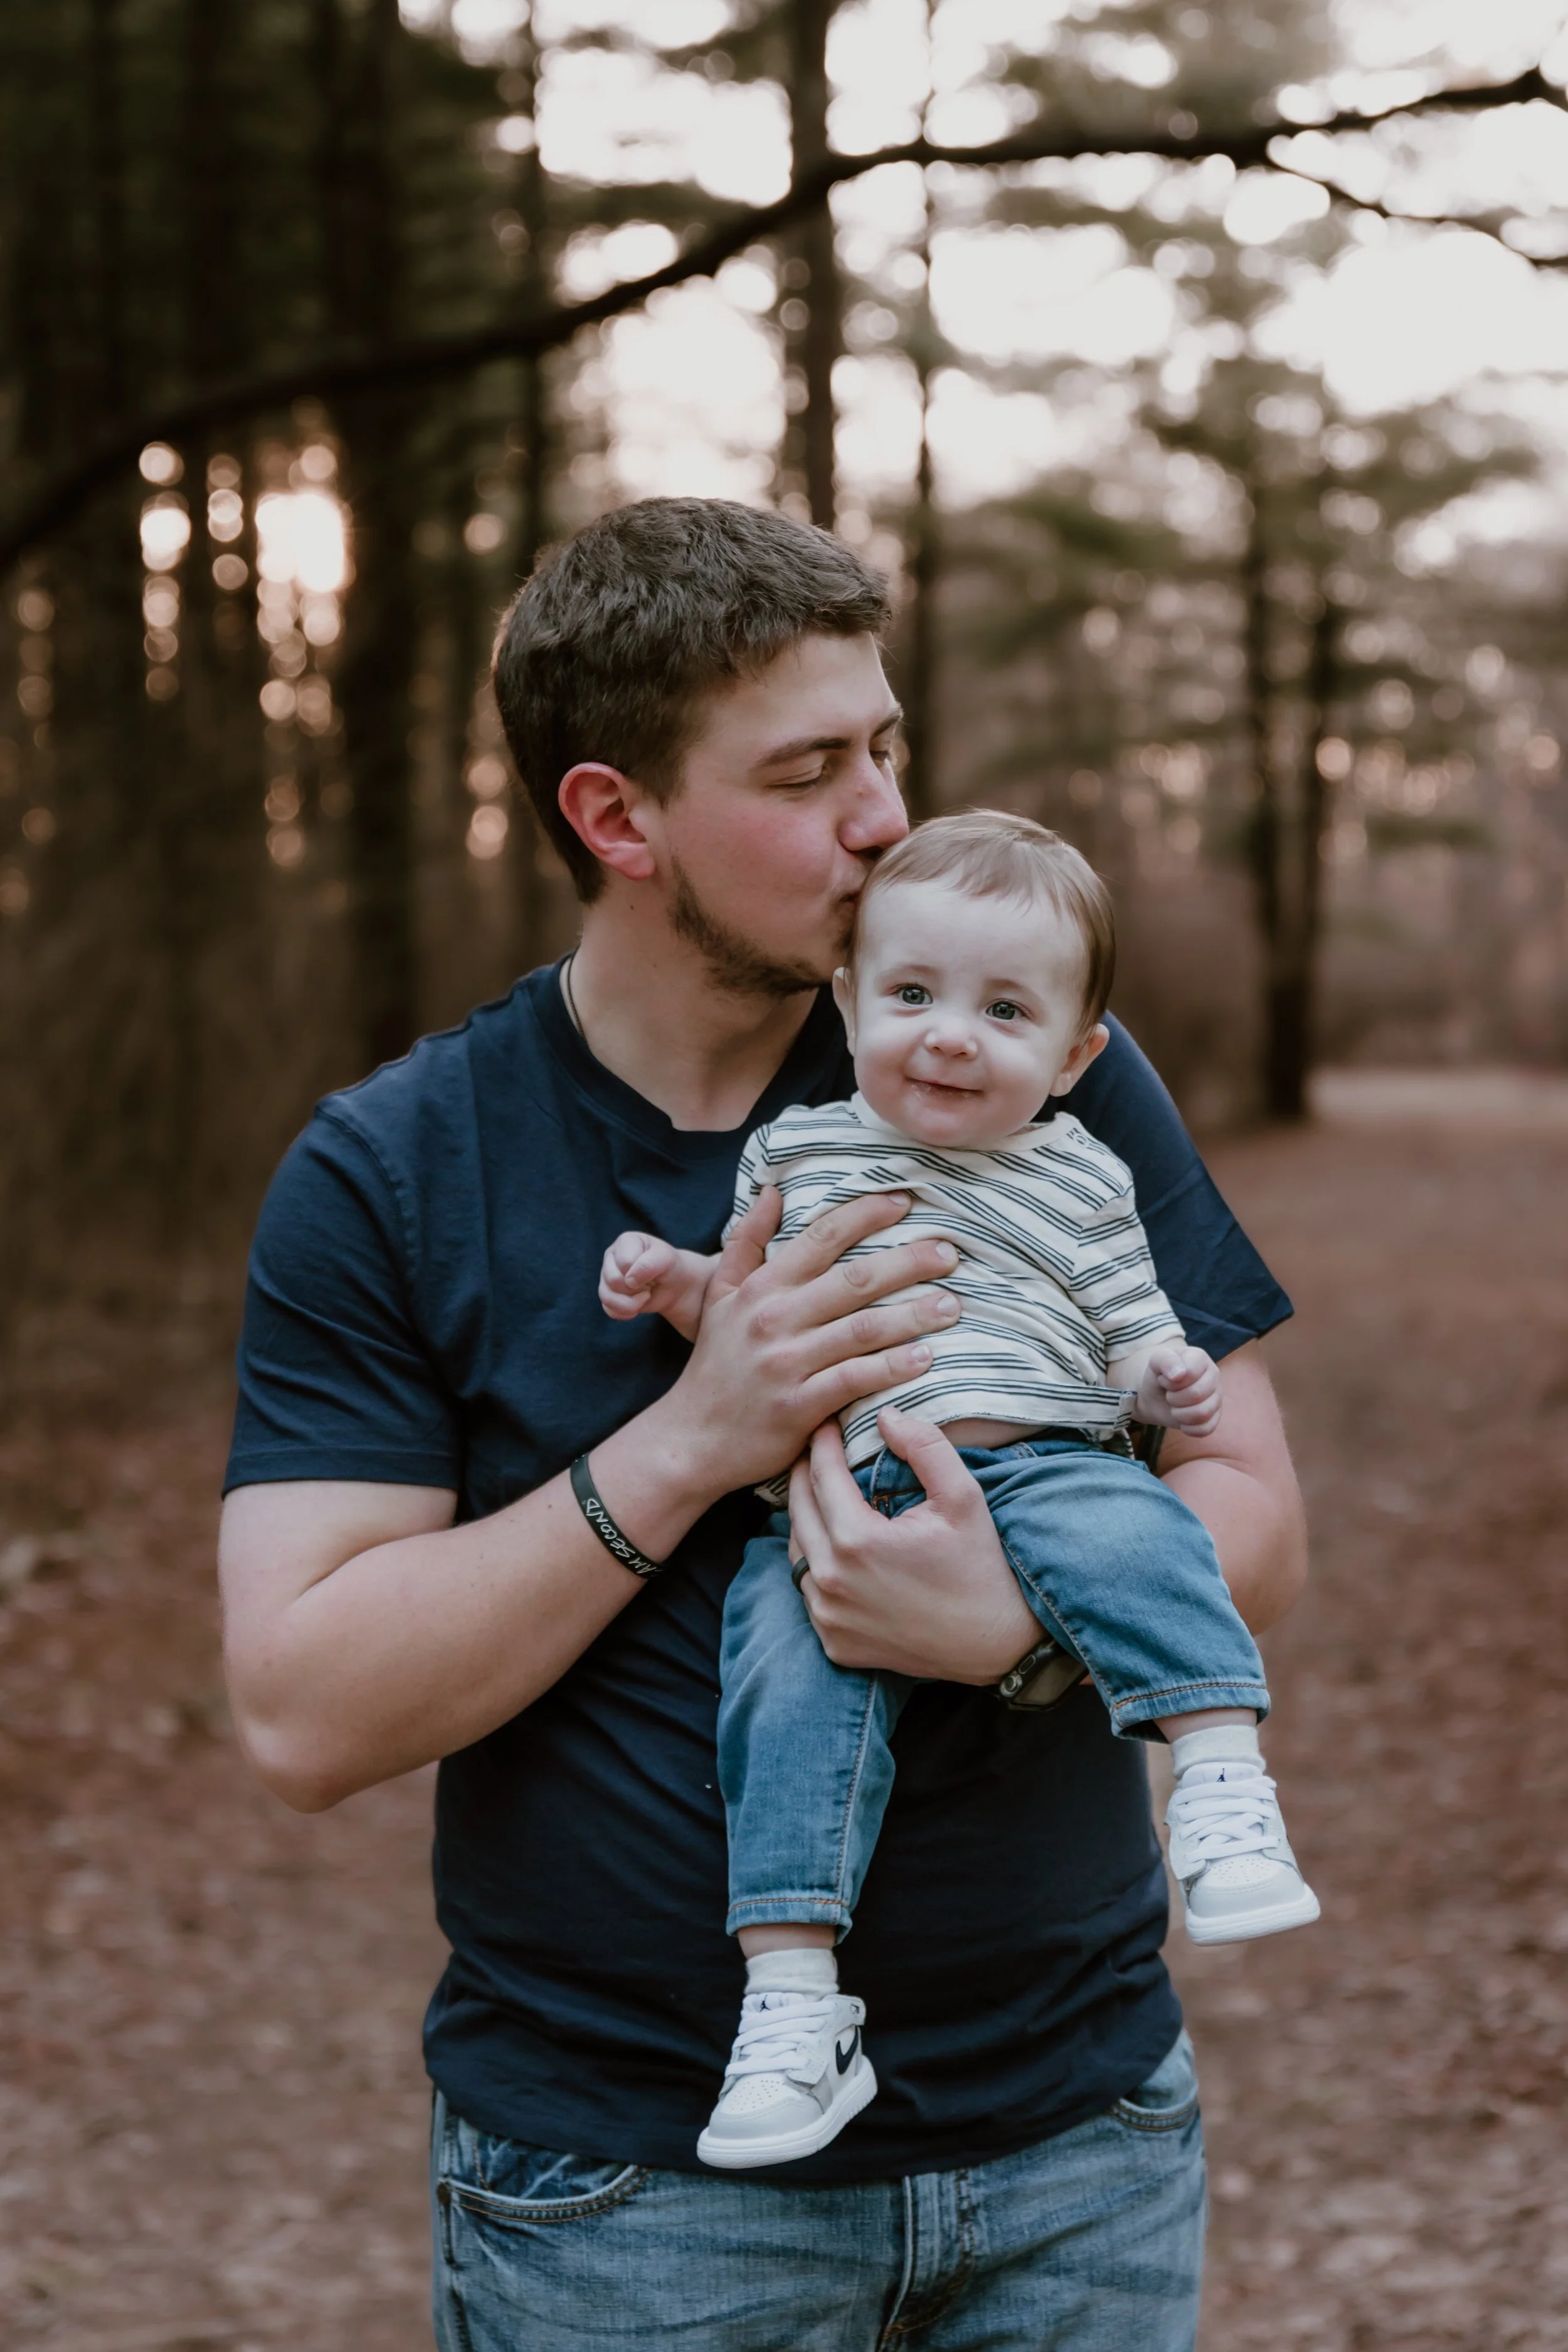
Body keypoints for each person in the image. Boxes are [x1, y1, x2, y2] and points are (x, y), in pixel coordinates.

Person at [218, 497, 1306, 2352]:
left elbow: (1252, 1497)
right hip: (633, 2199)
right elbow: (304, 1706)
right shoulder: (396, 1170)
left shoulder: (1016, 1045)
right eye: (808, 772)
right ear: (615, 818)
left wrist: (1017, 1626)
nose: (882, 816)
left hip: (1081, 2148)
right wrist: (692, 1437)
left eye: (881, 744)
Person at [600, 808, 1318, 2171]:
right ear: (849, 997)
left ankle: (1220, 1785)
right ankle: (795, 2003)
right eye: (913, 996)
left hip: (1041, 1458)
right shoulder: (794, 1155)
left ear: (1072, 1056)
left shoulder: (1078, 1175)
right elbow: (744, 1315)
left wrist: (1163, 1387)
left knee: (1138, 1536)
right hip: (821, 1504)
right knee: (772, 1691)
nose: (947, 1035)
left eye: (1003, 1012)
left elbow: (1131, 1337)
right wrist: (679, 1285)